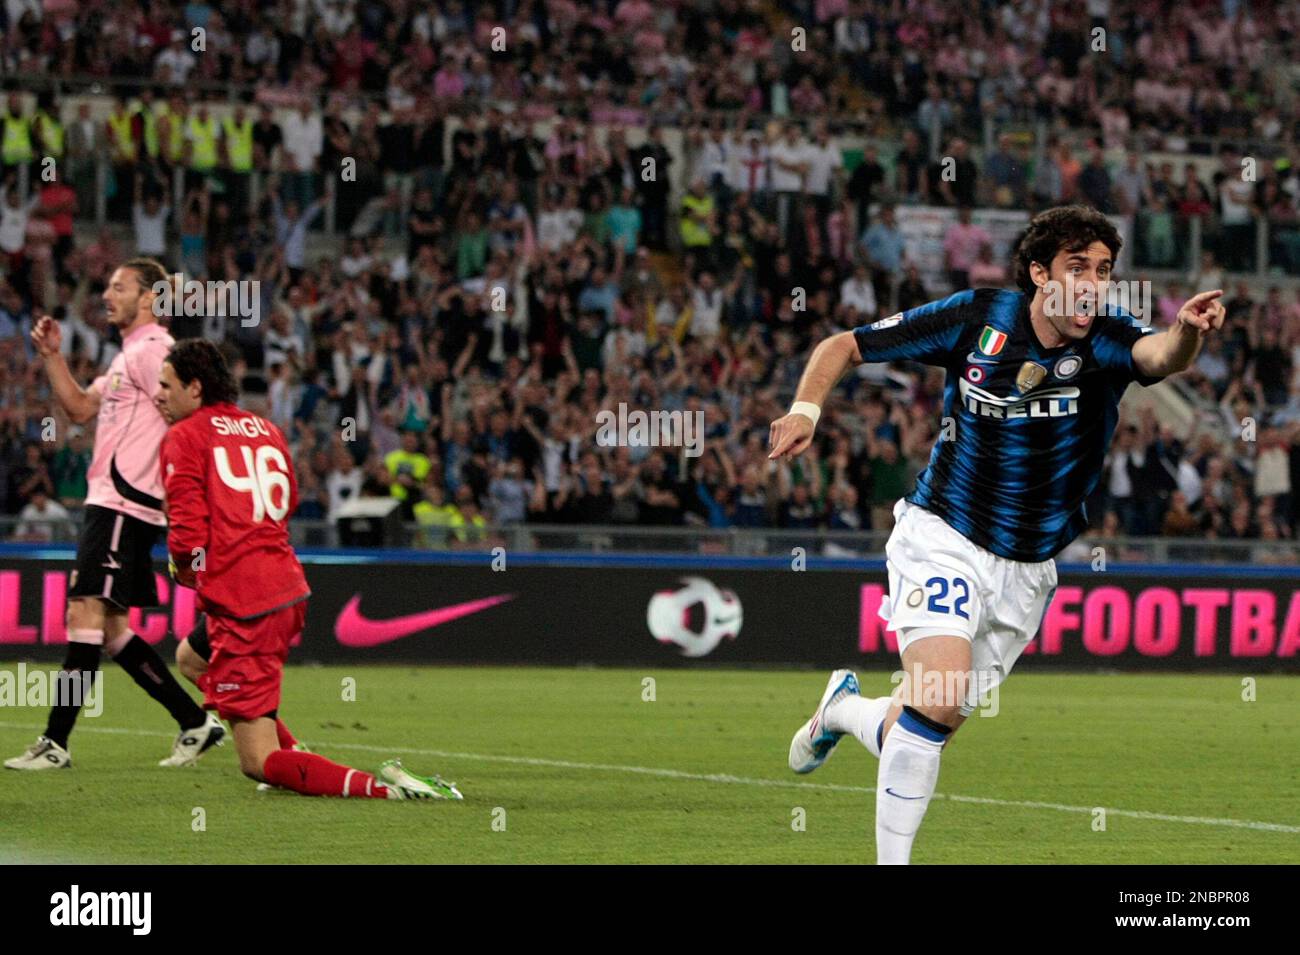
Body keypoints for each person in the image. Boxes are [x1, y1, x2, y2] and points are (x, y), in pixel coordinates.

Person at [770, 205, 1226, 864]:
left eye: (1102, 271)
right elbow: (843, 345)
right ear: (1039, 273)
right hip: (943, 533)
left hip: (1027, 569)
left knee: (926, 720)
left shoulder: (1106, 340)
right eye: (1077, 268)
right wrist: (805, 408)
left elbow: (1160, 355)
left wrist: (1186, 329)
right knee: (938, 695)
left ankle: (841, 712)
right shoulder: (977, 319)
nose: (1092, 285)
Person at [154, 338, 461, 800]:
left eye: (166, 385)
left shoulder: (185, 436)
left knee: (256, 764)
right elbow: (289, 499)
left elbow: (186, 534)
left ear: (194, 388)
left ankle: (386, 790)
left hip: (244, 601)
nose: (158, 394)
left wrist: (186, 571)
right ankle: (296, 752)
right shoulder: (265, 428)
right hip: (284, 585)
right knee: (191, 659)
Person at [6, 259, 223, 772]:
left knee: (83, 613)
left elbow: (192, 415)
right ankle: (194, 723)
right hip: (112, 502)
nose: (107, 294)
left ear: (150, 297)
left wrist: (177, 493)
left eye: (118, 286)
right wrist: (53, 356)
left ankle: (55, 743)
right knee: (109, 630)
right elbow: (80, 409)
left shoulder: (156, 353)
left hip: (124, 503)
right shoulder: (128, 356)